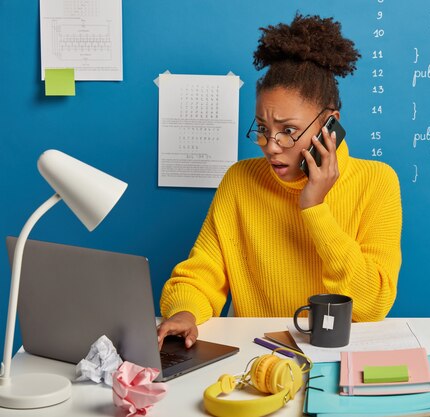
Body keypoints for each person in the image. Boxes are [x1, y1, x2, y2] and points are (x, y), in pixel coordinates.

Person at [157, 13, 402, 349]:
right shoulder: (240, 180)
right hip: (255, 351)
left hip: (339, 356)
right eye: (262, 129)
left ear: (329, 124)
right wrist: (185, 312)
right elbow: (201, 274)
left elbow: (373, 304)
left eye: (288, 131)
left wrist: (314, 208)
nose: (271, 147)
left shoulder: (377, 182)